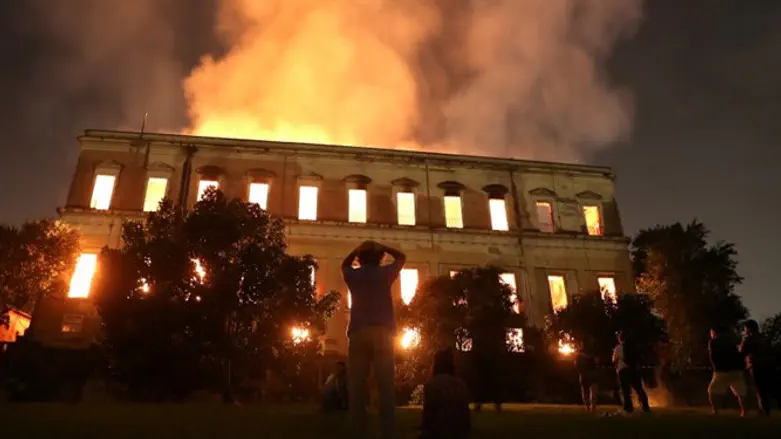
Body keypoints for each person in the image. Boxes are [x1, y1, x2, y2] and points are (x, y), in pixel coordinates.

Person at [342, 240, 406, 439]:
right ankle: (387, 431)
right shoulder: (384, 274)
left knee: (357, 385)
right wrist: (383, 246)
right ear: (379, 258)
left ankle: (357, 429)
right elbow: (402, 257)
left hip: (359, 330)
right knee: (385, 384)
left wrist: (357, 248)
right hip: (383, 331)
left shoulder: (354, 276)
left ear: (360, 259)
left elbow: (344, 264)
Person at [419, 349, 471, 439]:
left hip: (437, 433)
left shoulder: (432, 384)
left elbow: (428, 416)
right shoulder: (461, 384)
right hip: (459, 433)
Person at [739, 319, 778, 416]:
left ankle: (764, 410)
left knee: (759, 388)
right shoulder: (764, 338)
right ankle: (765, 408)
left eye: (745, 328)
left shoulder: (749, 339)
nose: (744, 330)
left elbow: (742, 352)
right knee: (767, 388)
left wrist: (741, 344)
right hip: (769, 365)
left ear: (749, 328)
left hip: (756, 365)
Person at [708, 326, 747, 416]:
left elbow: (712, 356)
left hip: (722, 371)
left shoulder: (713, 342)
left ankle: (715, 410)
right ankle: (744, 411)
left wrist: (716, 367)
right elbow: (739, 354)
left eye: (711, 333)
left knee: (712, 391)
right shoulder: (732, 341)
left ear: (714, 333)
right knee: (741, 393)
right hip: (736, 370)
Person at [612, 331, 650, 414]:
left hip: (623, 371)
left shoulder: (618, 348)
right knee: (639, 389)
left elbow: (614, 361)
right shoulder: (633, 348)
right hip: (634, 370)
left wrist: (616, 370)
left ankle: (628, 408)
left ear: (619, 338)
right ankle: (645, 407)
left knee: (625, 390)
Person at [575, 339, 600, 412]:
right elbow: (597, 361)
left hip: (583, 374)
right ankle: (593, 407)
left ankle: (588, 407)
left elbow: (576, 365)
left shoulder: (579, 354)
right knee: (594, 391)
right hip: (593, 373)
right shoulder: (593, 352)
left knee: (585, 391)